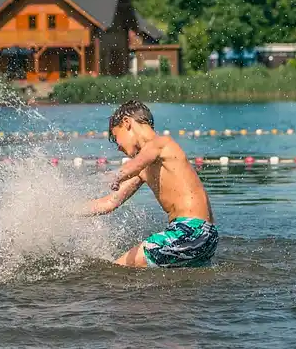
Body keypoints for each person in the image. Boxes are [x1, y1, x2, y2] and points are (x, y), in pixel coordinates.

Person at [85, 100, 218, 268]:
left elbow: (135, 165)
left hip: (190, 230)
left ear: (127, 123)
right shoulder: (145, 166)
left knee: (115, 271)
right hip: (206, 237)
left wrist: (115, 176)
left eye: (115, 137)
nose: (118, 147)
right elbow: (109, 203)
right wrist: (62, 212)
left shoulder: (162, 144)